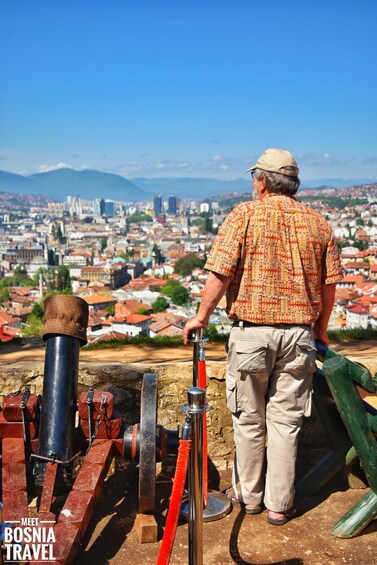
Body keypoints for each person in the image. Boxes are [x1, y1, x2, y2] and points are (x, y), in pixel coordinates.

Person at [183, 148, 343, 525]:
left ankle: (250, 497)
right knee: (286, 423)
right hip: (300, 336)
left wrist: (201, 317)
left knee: (248, 419)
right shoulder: (319, 224)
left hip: (253, 335)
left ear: (261, 181)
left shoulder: (243, 215)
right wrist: (321, 329)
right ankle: (279, 505)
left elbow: (220, 273)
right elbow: (329, 285)